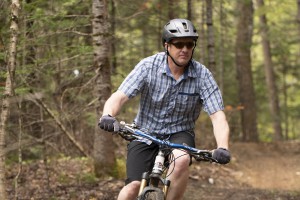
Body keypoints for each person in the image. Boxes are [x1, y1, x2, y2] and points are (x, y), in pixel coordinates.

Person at [98, 18, 230, 200]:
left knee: (182, 159)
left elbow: (217, 116)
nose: (184, 49)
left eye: (189, 44)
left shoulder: (202, 75)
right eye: (179, 44)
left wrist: (222, 147)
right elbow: (120, 96)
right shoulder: (148, 66)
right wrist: (108, 115)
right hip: (144, 132)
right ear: (167, 46)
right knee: (132, 188)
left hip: (180, 133)